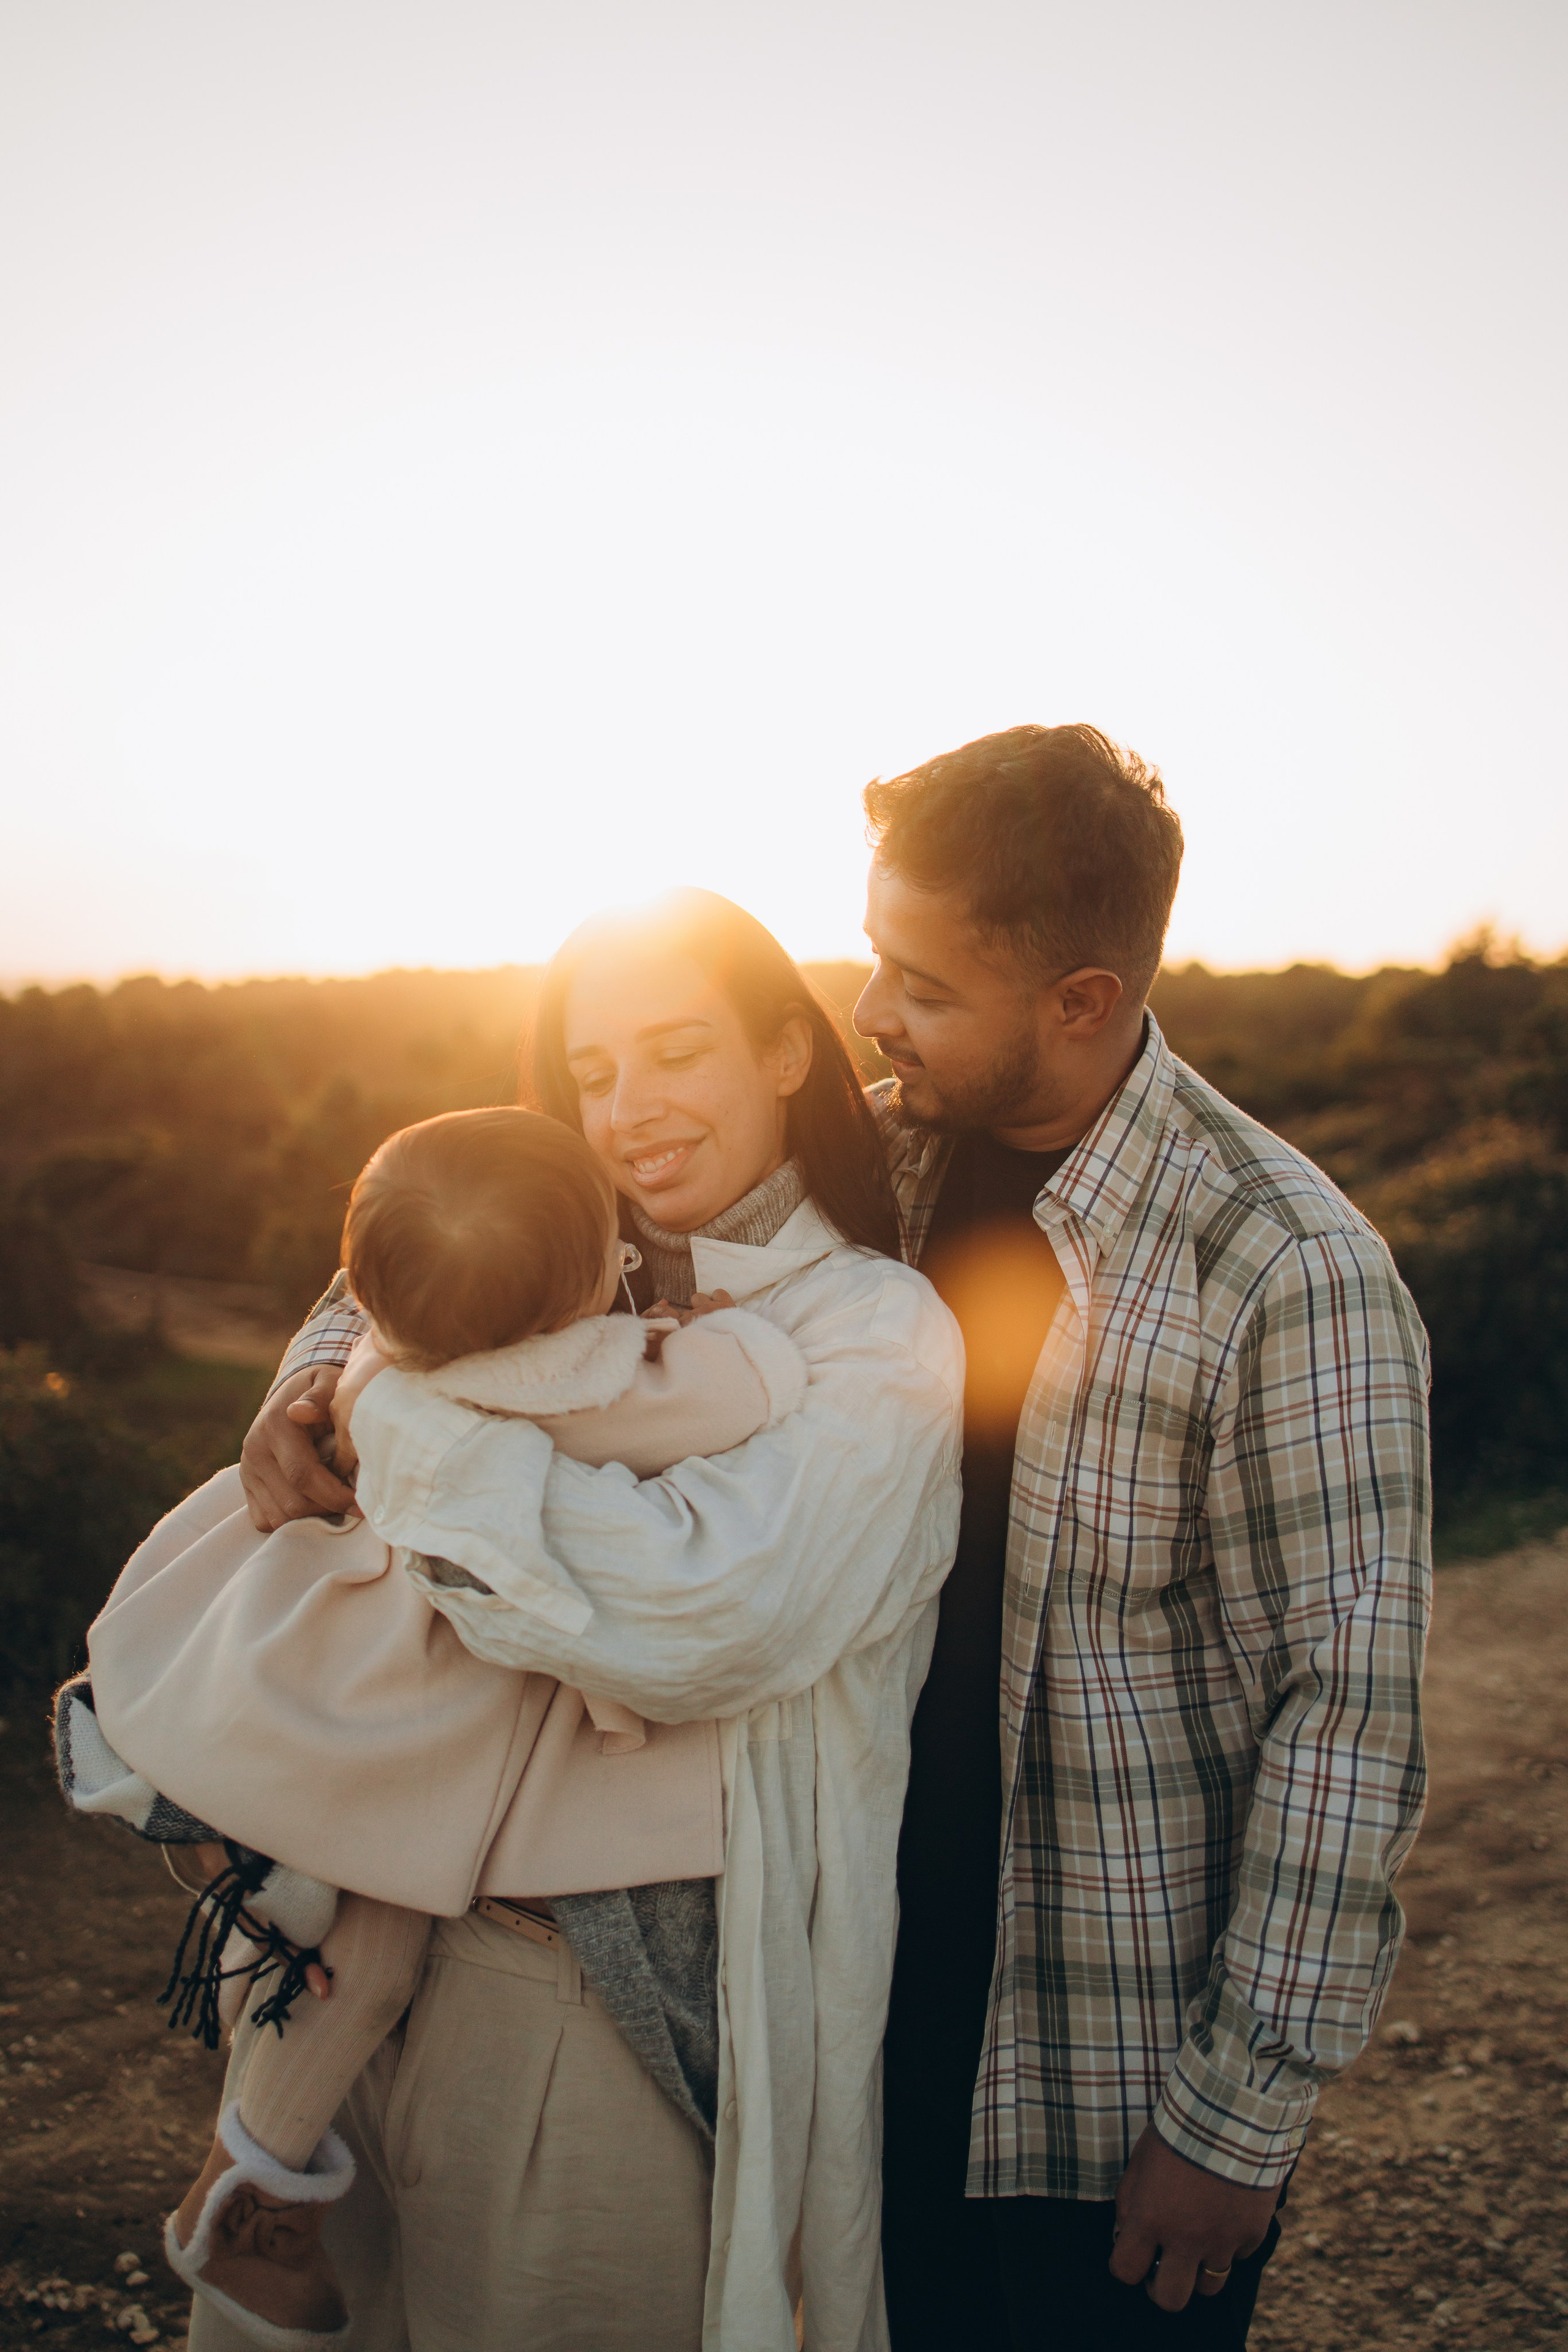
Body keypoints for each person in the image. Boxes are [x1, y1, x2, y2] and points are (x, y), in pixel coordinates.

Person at [213, 889, 965, 2352]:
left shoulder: (869, 1326)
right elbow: (391, 1263)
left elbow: (698, 1616)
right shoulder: (540, 1245)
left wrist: (396, 1423)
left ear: (784, 1053)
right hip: (347, 1946)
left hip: (574, 1998)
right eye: (594, 1070)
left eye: (677, 1052)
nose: (630, 1109)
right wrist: (316, 1369)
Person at [855, 725, 1431, 2350]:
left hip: (1096, 2090)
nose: (870, 1008)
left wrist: (1238, 2121)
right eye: (873, 952)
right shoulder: (870, 1162)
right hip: (856, 2021)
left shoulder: (1283, 1265)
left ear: (1082, 1001)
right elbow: (533, 1212)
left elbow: (1346, 1721)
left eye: (922, 982)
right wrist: (328, 1370)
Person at [62, 1102, 811, 2350]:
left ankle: (251, 2177)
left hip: (348, 1711)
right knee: (378, 1943)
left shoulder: (387, 1358)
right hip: (442, 1744)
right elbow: (731, 1393)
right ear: (585, 1285)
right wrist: (726, 1338)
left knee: (351, 1956)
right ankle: (250, 2186)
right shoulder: (568, 1381)